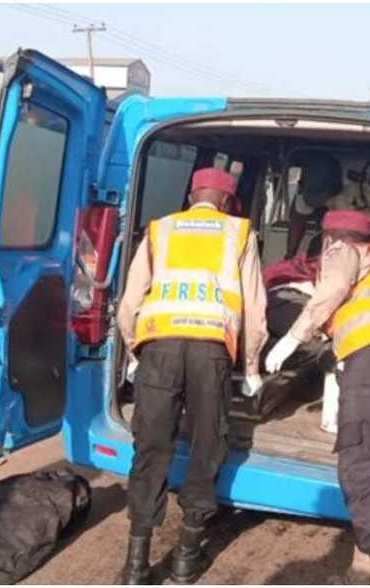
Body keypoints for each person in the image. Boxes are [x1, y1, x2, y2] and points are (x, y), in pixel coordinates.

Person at [115, 167, 268, 585]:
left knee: (150, 446)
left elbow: (131, 300)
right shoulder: (238, 234)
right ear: (227, 201)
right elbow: (254, 308)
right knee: (206, 444)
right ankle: (185, 559)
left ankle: (135, 565)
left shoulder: (161, 229)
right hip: (210, 350)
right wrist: (252, 365)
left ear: (190, 195)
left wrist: (133, 349)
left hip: (159, 348)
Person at [264, 210, 370, 585]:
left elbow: (334, 288)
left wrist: (294, 337)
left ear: (328, 236)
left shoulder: (341, 250)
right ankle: (360, 569)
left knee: (358, 469)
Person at [285, 154, 370, 259]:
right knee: (317, 246)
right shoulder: (310, 179)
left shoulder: (366, 173)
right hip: (338, 219)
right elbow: (298, 218)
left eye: (326, 199)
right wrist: (289, 255)